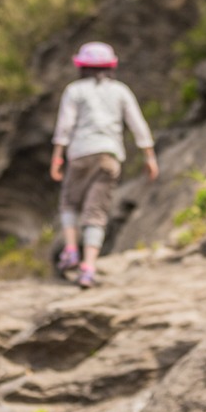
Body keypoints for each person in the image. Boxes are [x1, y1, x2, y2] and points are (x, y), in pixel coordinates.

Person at [50, 41, 158, 288]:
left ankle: (70, 251)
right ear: (111, 66)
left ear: (81, 67)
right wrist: (149, 156)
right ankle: (88, 267)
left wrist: (57, 156)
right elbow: (138, 124)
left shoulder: (74, 90)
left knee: (69, 203)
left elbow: (65, 126)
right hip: (110, 155)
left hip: (80, 154)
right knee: (96, 212)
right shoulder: (120, 91)